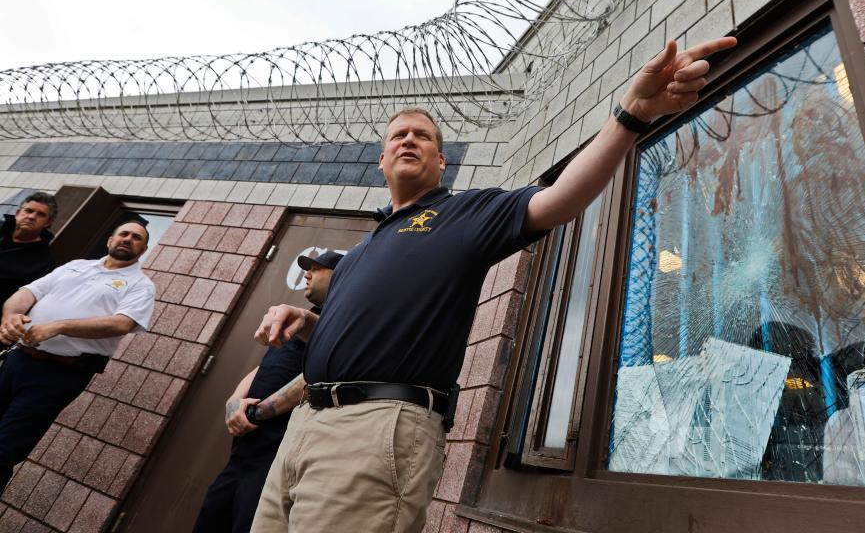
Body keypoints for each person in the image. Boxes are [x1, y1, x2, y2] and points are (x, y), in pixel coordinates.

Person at [251, 36, 737, 532]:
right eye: (398, 135)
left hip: (373, 431)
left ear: (442, 162)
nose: (409, 140)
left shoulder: (461, 212)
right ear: (381, 161)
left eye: (423, 136)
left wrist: (632, 114)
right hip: (304, 429)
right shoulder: (364, 249)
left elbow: (561, 199)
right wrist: (308, 322)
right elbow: (360, 333)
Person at [192, 250, 343, 533]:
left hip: (277, 456)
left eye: (316, 269)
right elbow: (262, 368)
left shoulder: (341, 321)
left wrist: (258, 412)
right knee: (211, 518)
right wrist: (234, 401)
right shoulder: (304, 319)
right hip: (244, 451)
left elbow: (324, 374)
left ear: (342, 275)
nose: (307, 274)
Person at [0, 220, 155, 491]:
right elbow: (28, 292)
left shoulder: (141, 286)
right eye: (124, 234)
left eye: (137, 237)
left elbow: (122, 324)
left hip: (59, 374)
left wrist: (59, 326)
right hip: (17, 359)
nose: (128, 239)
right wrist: (10, 316)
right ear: (109, 240)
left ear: (143, 249)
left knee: (4, 447)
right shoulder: (76, 265)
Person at [0, 192, 58, 306]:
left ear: (48, 223)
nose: (31, 217)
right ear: (17, 213)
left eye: (40, 214)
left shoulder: (44, 263)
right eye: (28, 211)